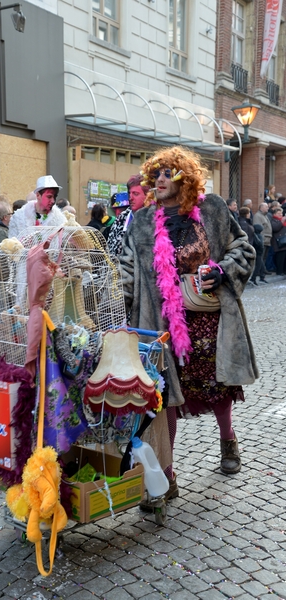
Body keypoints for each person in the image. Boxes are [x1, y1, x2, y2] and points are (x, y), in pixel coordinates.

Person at [120, 146, 258, 492]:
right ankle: (165, 473)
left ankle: (228, 439)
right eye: (155, 175)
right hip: (162, 324)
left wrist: (223, 272)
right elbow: (126, 271)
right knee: (164, 394)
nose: (160, 179)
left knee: (218, 388)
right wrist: (112, 310)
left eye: (168, 173)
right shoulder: (141, 222)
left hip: (209, 319)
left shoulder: (211, 210)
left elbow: (242, 247)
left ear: (185, 176)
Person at [107, 174, 151, 256]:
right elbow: (110, 251)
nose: (130, 198)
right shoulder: (121, 219)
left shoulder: (155, 220)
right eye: (129, 193)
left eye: (135, 194)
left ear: (147, 196)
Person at [253, 203, 272, 275]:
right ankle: (259, 271)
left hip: (267, 239)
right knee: (260, 257)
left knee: (264, 257)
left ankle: (262, 270)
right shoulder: (258, 216)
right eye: (266, 207)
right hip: (262, 239)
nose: (268, 208)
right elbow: (258, 228)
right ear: (261, 208)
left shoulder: (265, 216)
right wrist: (261, 238)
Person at [270, 207, 286, 275]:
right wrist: (282, 221)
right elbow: (275, 228)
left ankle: (284, 270)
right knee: (280, 257)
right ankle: (279, 271)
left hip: (284, 241)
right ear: (275, 214)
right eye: (278, 213)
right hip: (278, 242)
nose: (280, 214)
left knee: (284, 258)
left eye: (281, 213)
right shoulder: (273, 220)